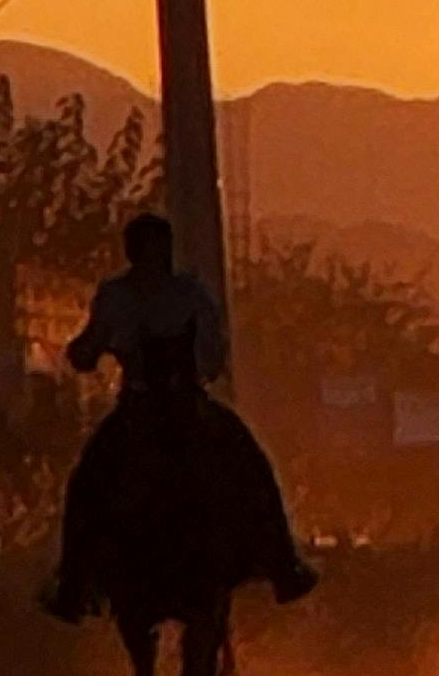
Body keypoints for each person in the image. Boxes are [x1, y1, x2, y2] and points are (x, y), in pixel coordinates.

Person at [41, 213, 317, 620]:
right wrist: (86, 351)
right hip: (144, 403)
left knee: (249, 461)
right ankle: (74, 579)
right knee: (88, 478)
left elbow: (210, 353)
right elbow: (94, 345)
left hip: (179, 401)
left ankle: (282, 559)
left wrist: (93, 354)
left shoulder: (185, 293)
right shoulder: (120, 296)